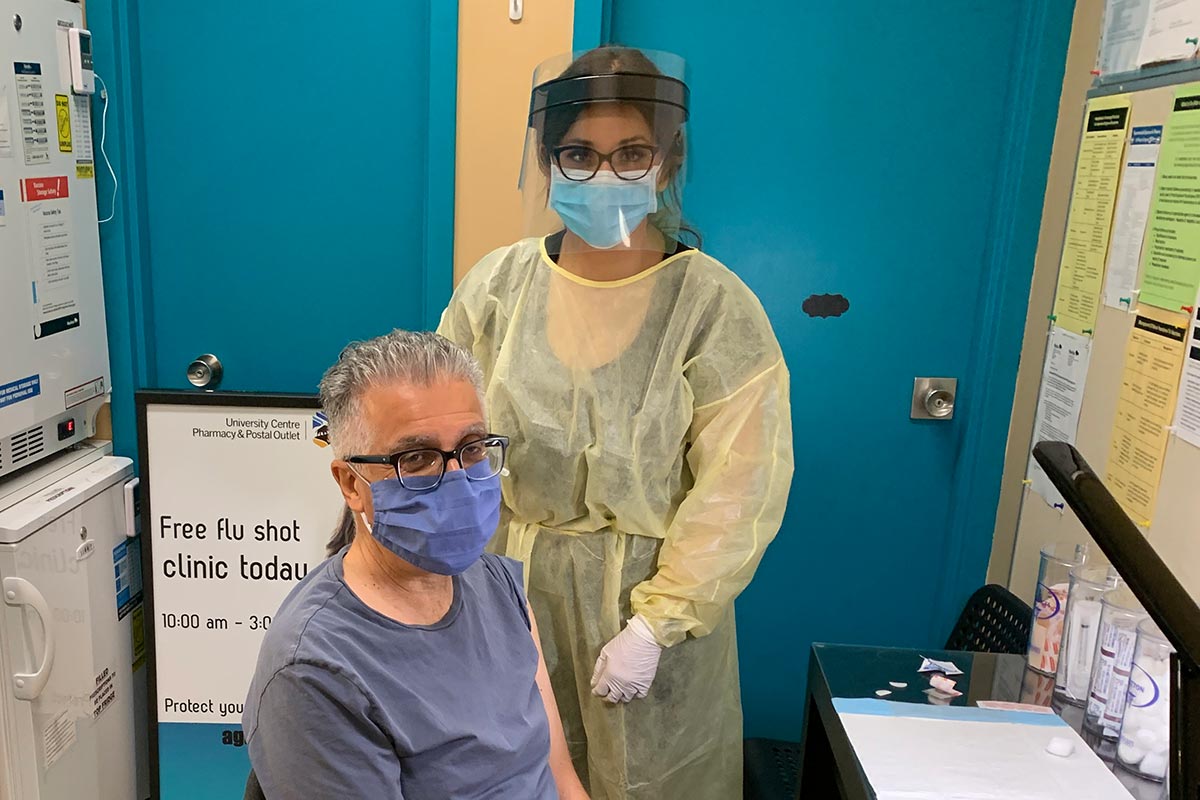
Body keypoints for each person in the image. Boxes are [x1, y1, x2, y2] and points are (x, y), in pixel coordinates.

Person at [436, 46, 794, 799]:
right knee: (510, 774)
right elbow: (443, 439)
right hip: (508, 595)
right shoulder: (497, 287)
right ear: (547, 158)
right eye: (579, 154)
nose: (605, 176)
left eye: (631, 154)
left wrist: (658, 623)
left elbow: (741, 487)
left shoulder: (712, 309)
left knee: (648, 782)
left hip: (646, 619)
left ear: (668, 162)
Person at [243, 330, 589, 800]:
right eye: (418, 458)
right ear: (350, 483)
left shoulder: (496, 585)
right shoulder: (317, 671)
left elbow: (558, 776)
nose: (459, 480)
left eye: (471, 449)